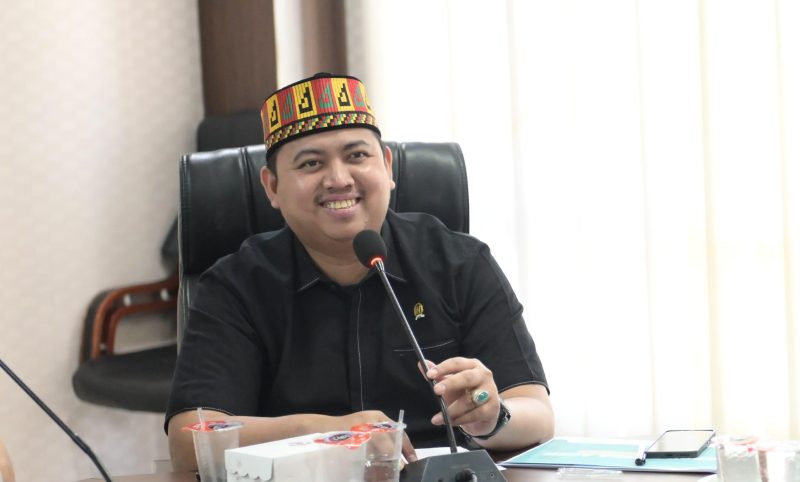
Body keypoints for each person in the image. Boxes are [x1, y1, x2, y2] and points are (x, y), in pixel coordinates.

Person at [166, 73, 554, 471]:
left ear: (386, 166)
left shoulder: (460, 262)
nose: (338, 179)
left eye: (356, 156)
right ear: (272, 187)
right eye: (311, 163)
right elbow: (188, 440)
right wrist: (330, 433)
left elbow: (537, 414)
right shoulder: (236, 285)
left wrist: (493, 417)